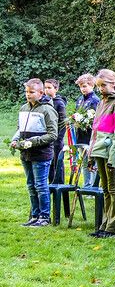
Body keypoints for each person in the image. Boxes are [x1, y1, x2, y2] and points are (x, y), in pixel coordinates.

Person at [88, 70, 115, 238]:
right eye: (98, 86)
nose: (101, 89)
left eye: (103, 85)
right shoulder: (102, 102)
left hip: (111, 152)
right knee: (105, 189)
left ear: (114, 83)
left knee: (114, 189)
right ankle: (105, 225)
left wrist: (114, 158)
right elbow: (95, 130)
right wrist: (90, 154)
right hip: (99, 150)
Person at [11, 78, 58, 227]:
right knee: (30, 185)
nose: (28, 94)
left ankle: (44, 217)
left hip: (41, 153)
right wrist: (15, 140)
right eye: (26, 92)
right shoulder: (24, 108)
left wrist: (32, 142)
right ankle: (35, 215)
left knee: (40, 185)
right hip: (25, 153)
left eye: (31, 92)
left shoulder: (47, 109)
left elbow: (52, 135)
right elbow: (20, 129)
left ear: (41, 92)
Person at [74, 73, 101, 187]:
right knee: (84, 162)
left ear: (92, 85)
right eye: (81, 86)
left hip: (90, 135)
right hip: (80, 134)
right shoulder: (80, 100)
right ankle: (86, 185)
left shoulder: (95, 100)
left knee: (92, 162)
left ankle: (93, 186)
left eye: (85, 86)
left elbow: (96, 118)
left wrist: (86, 121)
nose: (82, 89)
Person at [44, 79, 67, 184]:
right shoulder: (43, 102)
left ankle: (59, 183)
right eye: (45, 87)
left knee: (57, 163)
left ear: (56, 89)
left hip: (57, 139)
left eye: (49, 88)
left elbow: (63, 122)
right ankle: (50, 183)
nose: (46, 90)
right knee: (48, 163)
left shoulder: (59, 103)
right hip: (46, 138)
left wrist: (58, 138)